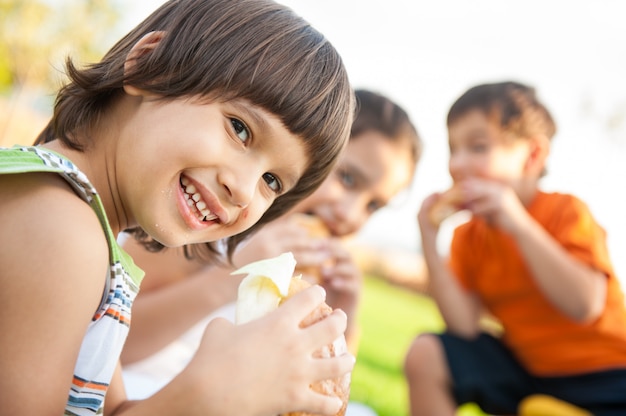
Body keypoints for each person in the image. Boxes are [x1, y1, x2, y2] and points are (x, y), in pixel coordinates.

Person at [0, 0, 357, 414]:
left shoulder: (90, 239)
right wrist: (202, 396)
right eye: (240, 129)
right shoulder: (59, 229)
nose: (242, 190)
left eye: (271, 181)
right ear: (149, 67)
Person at [119, 89, 422, 415]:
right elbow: (118, 342)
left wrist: (342, 320)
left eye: (373, 205)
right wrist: (235, 273)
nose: (351, 214)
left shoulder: (312, 269)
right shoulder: (208, 218)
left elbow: (323, 396)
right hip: (151, 389)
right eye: (347, 179)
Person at [403, 80, 626, 416]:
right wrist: (430, 242)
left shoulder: (566, 212)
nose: (458, 164)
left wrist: (516, 222)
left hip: (609, 377)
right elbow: (463, 325)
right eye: (453, 148)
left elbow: (586, 305)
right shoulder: (469, 236)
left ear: (532, 156)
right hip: (527, 374)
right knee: (426, 354)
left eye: (477, 147)